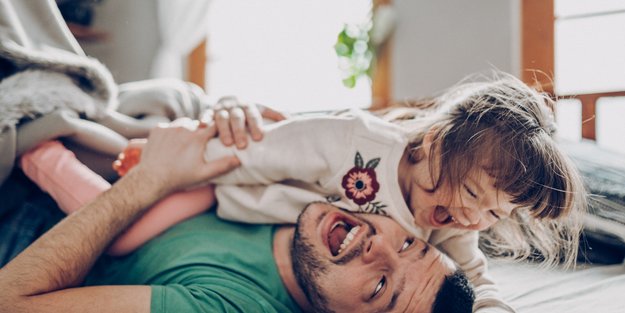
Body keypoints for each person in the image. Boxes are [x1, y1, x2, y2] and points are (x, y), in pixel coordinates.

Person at [21, 74, 587, 311]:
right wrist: (182, 160)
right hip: (224, 184)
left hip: (237, 214)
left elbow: (475, 281)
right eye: (472, 194)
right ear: (437, 143)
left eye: (493, 213)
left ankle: (51, 157)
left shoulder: (447, 231)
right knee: (132, 206)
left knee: (124, 242)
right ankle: (51, 150)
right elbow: (266, 149)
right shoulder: (356, 141)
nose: (473, 219)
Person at [0, 122, 475, 313]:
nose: (381, 247)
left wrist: (153, 180)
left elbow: (10, 301)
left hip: (22, 229)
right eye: (412, 244)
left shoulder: (232, 307)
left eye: (379, 289)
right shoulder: (343, 190)